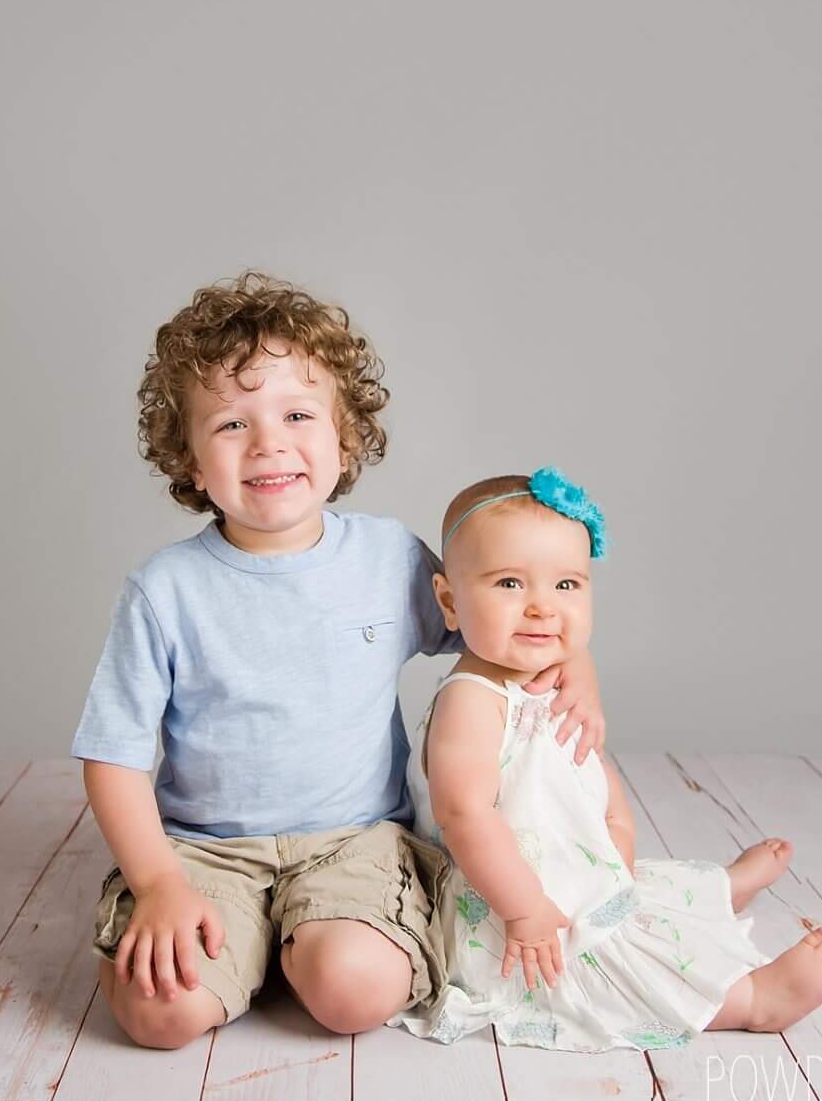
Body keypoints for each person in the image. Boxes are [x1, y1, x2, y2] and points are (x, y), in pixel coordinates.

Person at [73, 274, 603, 1047]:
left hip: (352, 838)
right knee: (161, 1016)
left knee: (356, 994)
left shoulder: (388, 557)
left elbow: (504, 640)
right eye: (229, 425)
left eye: (296, 414)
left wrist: (577, 665)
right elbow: (113, 756)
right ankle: (235, 938)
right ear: (189, 460)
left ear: (344, 437)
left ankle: (305, 941)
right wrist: (157, 883)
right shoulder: (166, 590)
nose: (269, 443)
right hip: (206, 847)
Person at [397, 470, 822, 1051]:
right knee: (606, 961)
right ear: (450, 602)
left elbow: (578, 759)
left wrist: (618, 824)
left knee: (634, 897)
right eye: (509, 584)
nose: (541, 609)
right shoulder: (471, 701)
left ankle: (717, 893)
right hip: (506, 898)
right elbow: (465, 818)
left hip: (568, 859)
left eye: (566, 585)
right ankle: (751, 1001)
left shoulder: (542, 673)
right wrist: (526, 909)